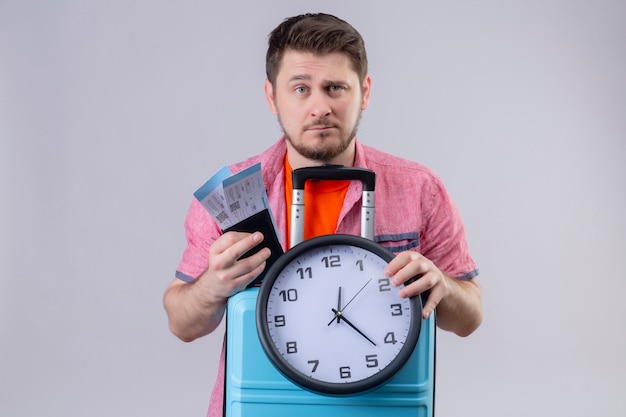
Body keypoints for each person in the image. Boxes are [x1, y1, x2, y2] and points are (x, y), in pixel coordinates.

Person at [164, 12, 482, 416]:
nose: (319, 107)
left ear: (364, 92)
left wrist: (442, 286)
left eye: (335, 88)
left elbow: (469, 317)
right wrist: (213, 285)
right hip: (266, 405)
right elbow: (182, 323)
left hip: (380, 405)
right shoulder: (232, 195)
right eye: (300, 88)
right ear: (271, 96)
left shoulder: (420, 188)